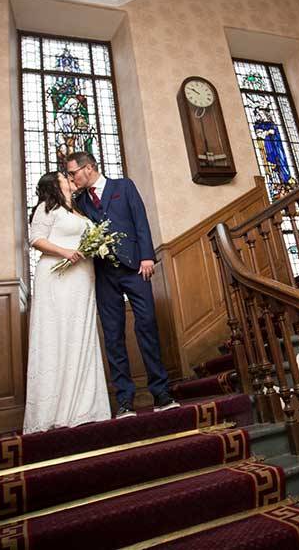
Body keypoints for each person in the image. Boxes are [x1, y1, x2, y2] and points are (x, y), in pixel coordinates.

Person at [65, 151, 179, 418]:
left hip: (136, 269)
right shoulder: (79, 200)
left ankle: (161, 392)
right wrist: (70, 191)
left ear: (89, 167)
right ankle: (125, 399)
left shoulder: (123, 186)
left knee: (147, 325)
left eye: (73, 172)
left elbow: (140, 220)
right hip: (104, 274)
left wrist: (148, 256)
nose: (71, 177)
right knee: (113, 336)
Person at [24, 171, 111, 433]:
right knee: (58, 335)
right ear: (55, 184)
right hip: (57, 276)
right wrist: (66, 252)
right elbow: (35, 239)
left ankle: (86, 406)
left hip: (82, 278)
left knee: (80, 335)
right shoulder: (46, 208)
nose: (69, 178)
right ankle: (55, 409)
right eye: (64, 176)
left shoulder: (78, 210)